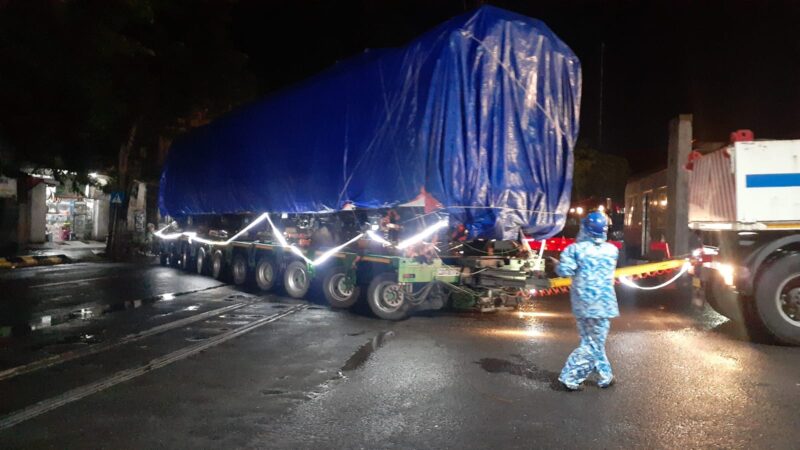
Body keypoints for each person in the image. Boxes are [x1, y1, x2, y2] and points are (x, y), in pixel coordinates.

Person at [555, 211, 619, 390]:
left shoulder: (574, 250)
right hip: (604, 305)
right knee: (595, 341)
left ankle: (575, 377)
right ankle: (593, 376)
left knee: (591, 342)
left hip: (583, 305)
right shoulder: (612, 250)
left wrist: (556, 265)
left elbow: (565, 271)